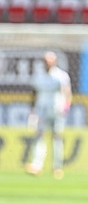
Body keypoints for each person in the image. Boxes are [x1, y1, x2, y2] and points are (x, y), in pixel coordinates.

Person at [26, 51, 73, 180]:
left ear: (55, 62)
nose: (48, 63)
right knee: (39, 136)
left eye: (50, 61)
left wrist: (66, 107)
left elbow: (67, 93)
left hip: (57, 110)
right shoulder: (39, 76)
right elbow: (34, 94)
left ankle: (57, 167)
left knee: (56, 137)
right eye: (46, 61)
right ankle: (37, 165)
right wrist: (33, 110)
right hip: (41, 110)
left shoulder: (61, 76)